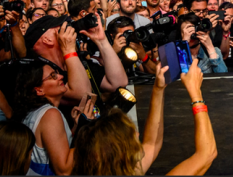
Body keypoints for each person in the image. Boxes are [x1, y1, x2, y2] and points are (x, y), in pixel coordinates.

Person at [72, 60, 218, 175]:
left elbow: (151, 144)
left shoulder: (113, 170)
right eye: (131, 137)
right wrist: (195, 93)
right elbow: (206, 154)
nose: (138, 134)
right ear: (120, 155)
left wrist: (158, 88)